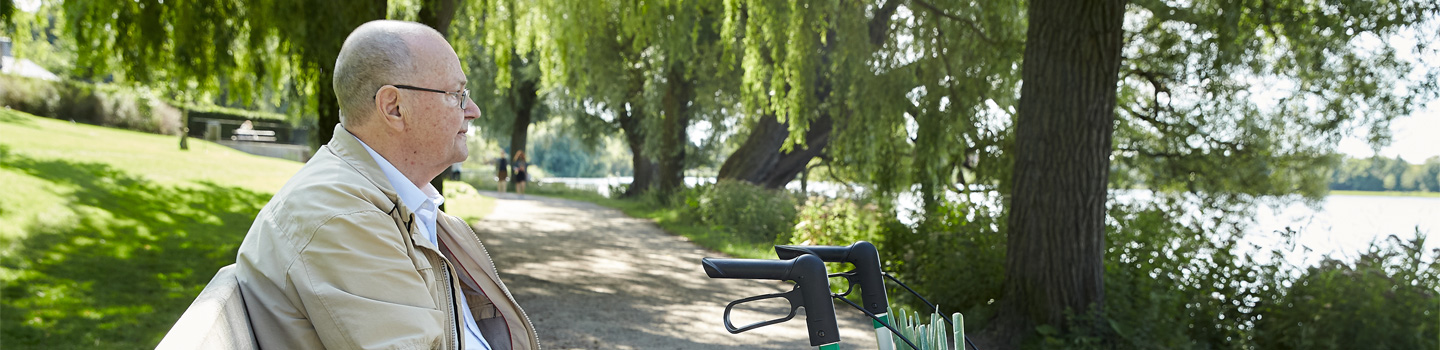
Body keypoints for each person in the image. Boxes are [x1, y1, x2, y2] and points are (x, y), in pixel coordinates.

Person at [234, 20, 539, 350]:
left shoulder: (393, 201)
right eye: (456, 95)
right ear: (394, 108)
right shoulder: (341, 217)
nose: (474, 111)